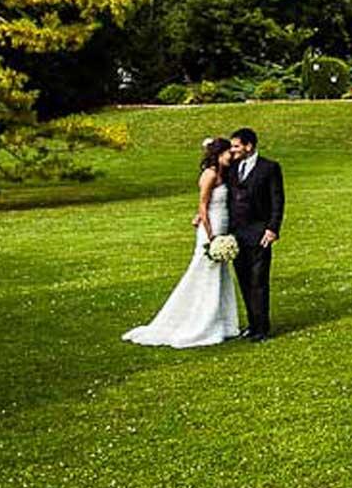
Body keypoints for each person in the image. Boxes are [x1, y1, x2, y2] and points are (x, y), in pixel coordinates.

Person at [122, 138, 240, 348]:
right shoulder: (210, 174)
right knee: (203, 272)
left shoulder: (225, 173)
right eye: (228, 153)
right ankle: (198, 322)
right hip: (211, 228)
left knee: (220, 274)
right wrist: (211, 236)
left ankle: (222, 322)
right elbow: (203, 206)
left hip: (223, 225)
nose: (232, 156)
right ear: (219, 154)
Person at [224, 126, 285, 341]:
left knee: (259, 281)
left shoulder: (269, 168)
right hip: (236, 234)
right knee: (243, 280)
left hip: (260, 233)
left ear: (249, 146)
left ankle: (262, 328)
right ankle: (251, 324)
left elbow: (277, 200)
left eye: (236, 146)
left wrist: (273, 229)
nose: (233, 150)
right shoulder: (232, 167)